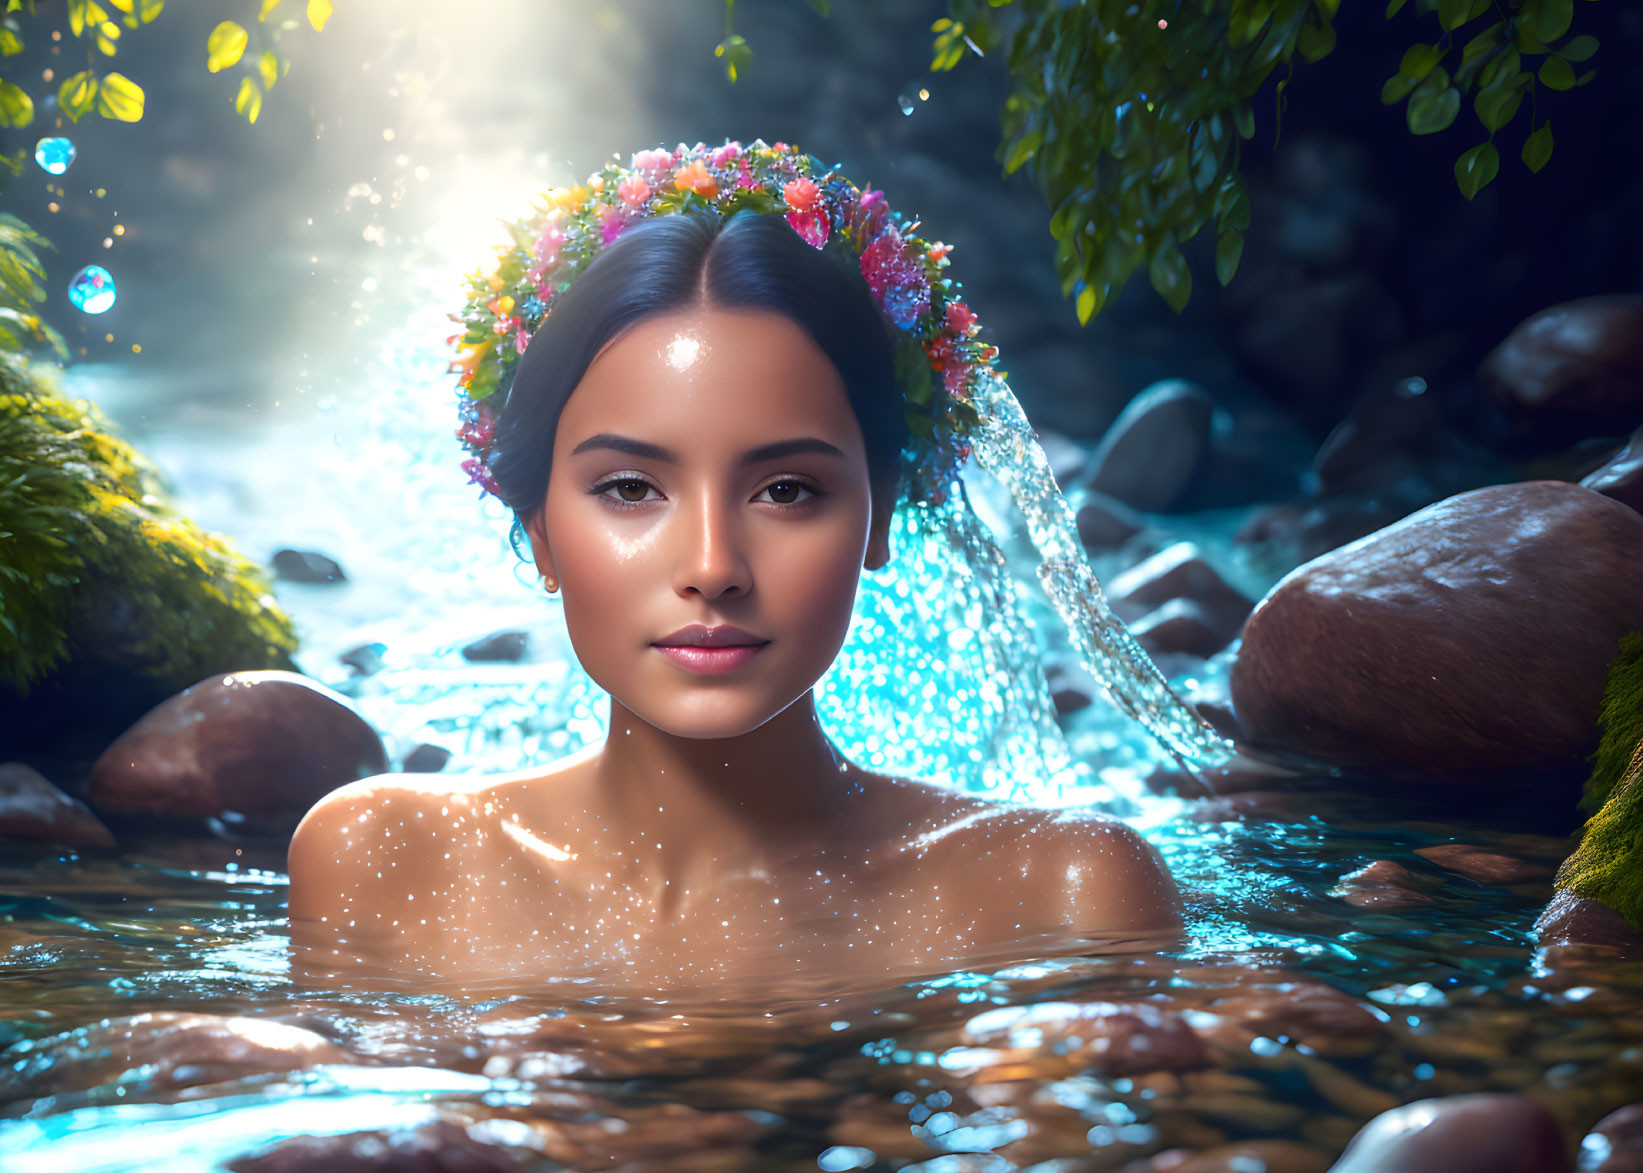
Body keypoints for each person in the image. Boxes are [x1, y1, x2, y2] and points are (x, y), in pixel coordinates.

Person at [288, 142, 1207, 993]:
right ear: (537, 531)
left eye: (786, 491)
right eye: (629, 488)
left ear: (879, 516)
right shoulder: (384, 860)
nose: (712, 566)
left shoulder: (1060, 895)